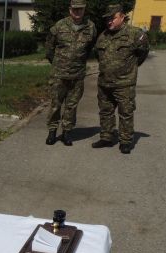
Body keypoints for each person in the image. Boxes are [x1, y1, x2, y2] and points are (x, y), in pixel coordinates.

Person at [92, 4, 149, 154]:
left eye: (112, 18)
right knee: (105, 111)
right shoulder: (103, 36)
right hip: (104, 82)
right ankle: (106, 137)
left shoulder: (135, 34)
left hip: (124, 83)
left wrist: (128, 69)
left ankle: (125, 141)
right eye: (107, 19)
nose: (109, 21)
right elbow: (98, 56)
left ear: (122, 17)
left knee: (126, 112)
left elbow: (142, 53)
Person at [44, 0, 96, 146]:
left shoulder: (90, 27)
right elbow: (49, 48)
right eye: (75, 9)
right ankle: (52, 132)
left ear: (84, 10)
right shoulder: (59, 26)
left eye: (80, 9)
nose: (77, 12)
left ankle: (67, 132)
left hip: (77, 75)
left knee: (71, 106)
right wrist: (58, 64)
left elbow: (89, 48)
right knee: (55, 104)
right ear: (70, 9)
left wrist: (78, 62)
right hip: (59, 75)